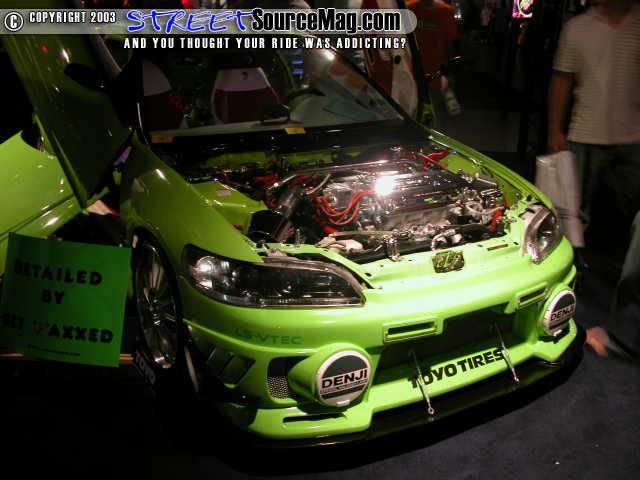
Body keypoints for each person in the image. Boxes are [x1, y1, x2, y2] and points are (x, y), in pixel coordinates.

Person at [547, 0, 640, 357]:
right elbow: (562, 80)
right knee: (573, 217)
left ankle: (619, 293)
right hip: (585, 133)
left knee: (629, 219)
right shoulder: (578, 28)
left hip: (633, 138)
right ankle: (565, 288)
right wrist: (556, 131)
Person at [408, 0, 462, 122]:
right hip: (412, 69)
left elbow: (450, 44)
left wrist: (449, 72)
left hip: (435, 71)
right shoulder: (409, 8)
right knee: (413, 108)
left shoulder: (445, 11)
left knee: (433, 110)